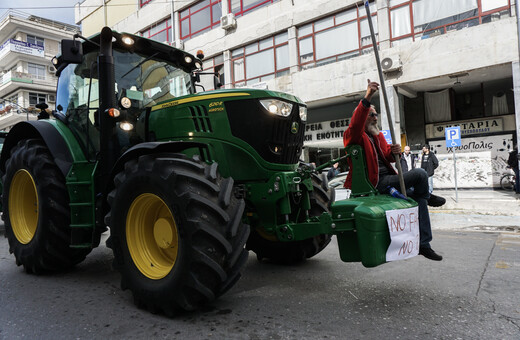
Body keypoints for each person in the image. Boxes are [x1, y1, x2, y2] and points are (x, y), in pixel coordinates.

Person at [343, 80, 445, 261]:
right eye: (372, 115)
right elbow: (356, 121)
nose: (376, 118)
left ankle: (424, 244)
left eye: (376, 115)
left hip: (390, 178)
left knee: (418, 198)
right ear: (364, 115)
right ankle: (428, 197)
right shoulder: (354, 135)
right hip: (377, 183)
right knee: (421, 174)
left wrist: (393, 152)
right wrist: (368, 96)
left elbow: (387, 155)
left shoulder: (377, 134)